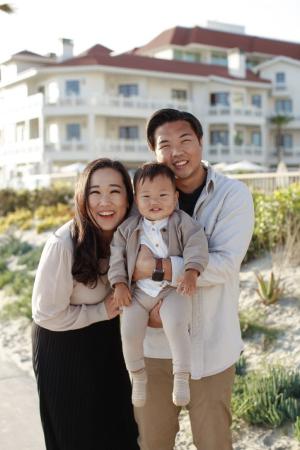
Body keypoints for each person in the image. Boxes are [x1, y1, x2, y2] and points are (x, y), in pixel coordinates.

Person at [133, 109, 255, 450]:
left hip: (212, 348)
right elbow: (123, 255)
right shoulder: (139, 198)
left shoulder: (232, 196)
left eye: (185, 140)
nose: (177, 151)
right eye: (165, 144)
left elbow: (224, 264)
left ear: (200, 142)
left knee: (214, 443)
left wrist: (157, 267)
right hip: (155, 349)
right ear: (154, 152)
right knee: (153, 443)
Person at [31, 158, 139, 450]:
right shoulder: (63, 244)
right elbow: (45, 314)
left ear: (128, 198)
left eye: (115, 191)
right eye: (95, 192)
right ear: (82, 197)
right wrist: (101, 310)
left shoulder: (129, 236)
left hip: (107, 342)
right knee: (77, 437)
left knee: (121, 432)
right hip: (64, 346)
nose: (105, 201)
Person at [108, 162, 208, 408]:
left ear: (175, 197)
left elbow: (197, 245)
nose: (155, 201)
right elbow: (116, 257)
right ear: (136, 200)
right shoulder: (128, 228)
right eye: (146, 196)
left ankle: (181, 376)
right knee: (129, 331)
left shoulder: (182, 222)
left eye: (163, 195)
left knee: (176, 324)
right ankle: (138, 375)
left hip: (172, 290)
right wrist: (119, 283)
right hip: (138, 292)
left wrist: (191, 272)